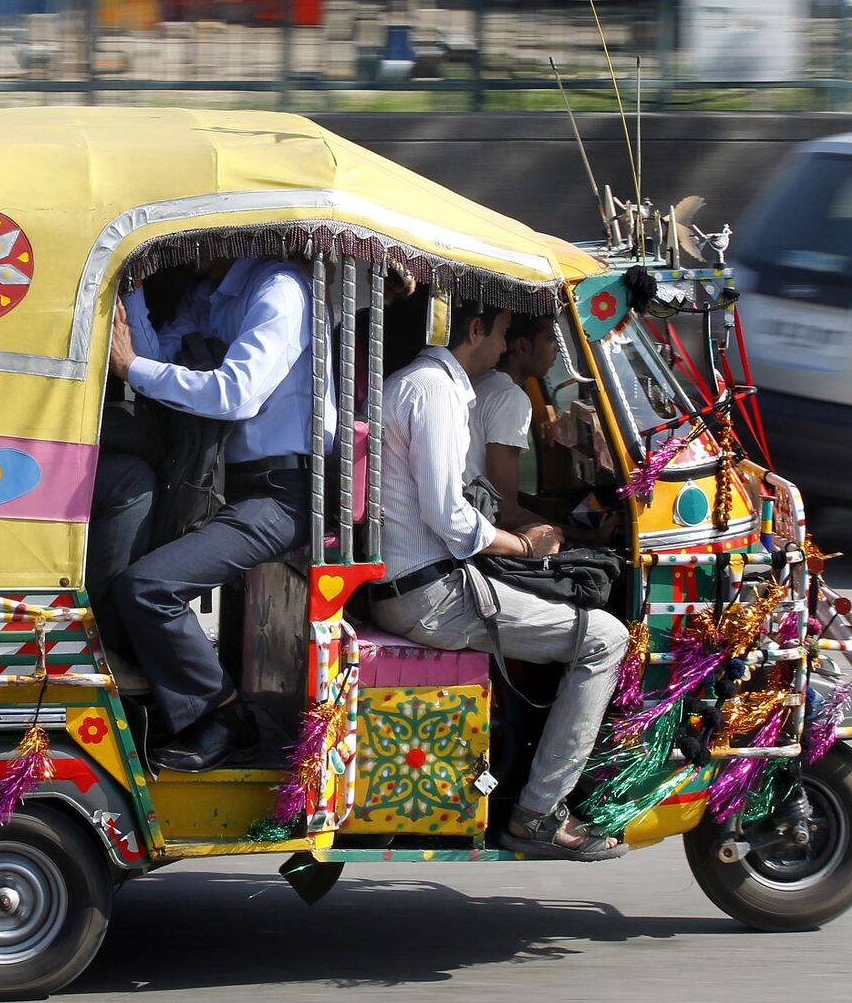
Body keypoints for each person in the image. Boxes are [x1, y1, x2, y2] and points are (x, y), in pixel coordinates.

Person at [370, 298, 629, 861]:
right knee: (606, 638)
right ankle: (538, 813)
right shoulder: (433, 392)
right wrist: (525, 546)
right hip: (429, 594)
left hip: (426, 582)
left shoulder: (429, 386)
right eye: (504, 331)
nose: (504, 343)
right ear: (477, 330)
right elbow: (450, 515)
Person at [104, 255, 332, 772]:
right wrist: (133, 292)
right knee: (121, 583)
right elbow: (157, 356)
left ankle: (228, 717)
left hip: (279, 491)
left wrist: (131, 367)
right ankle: (170, 706)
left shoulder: (279, 290)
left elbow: (237, 393)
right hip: (217, 483)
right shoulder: (208, 295)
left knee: (148, 588)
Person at [468, 310, 558, 529]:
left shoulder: (482, 382)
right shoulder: (511, 397)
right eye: (550, 340)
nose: (557, 349)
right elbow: (504, 511)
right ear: (523, 346)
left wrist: (545, 507)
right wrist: (585, 535)